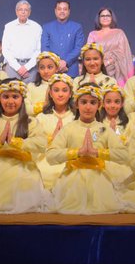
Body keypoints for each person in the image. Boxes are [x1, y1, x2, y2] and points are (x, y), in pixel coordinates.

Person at [0, 79, 52, 213]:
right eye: (6, 97)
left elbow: (41, 143)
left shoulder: (30, 122)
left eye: (15, 97)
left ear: (22, 99)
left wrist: (17, 142)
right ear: (0, 98)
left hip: (23, 167)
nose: (10, 101)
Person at [45, 84, 127, 214]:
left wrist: (97, 152)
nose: (88, 107)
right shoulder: (69, 128)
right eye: (83, 102)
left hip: (99, 179)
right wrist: (77, 152)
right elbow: (50, 156)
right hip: (71, 180)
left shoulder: (104, 129)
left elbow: (124, 155)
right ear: (77, 104)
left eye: (92, 103)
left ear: (99, 105)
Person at [87, 7, 132, 86]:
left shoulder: (119, 33)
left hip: (117, 70)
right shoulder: (93, 34)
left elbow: (122, 53)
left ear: (112, 18)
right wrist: (101, 64)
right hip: (97, 69)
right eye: (102, 16)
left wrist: (108, 62)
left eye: (108, 15)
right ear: (98, 18)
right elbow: (89, 53)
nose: (105, 18)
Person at [0, 0, 43, 80]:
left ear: (29, 12)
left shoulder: (37, 27)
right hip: (12, 67)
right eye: (20, 10)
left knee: (30, 88)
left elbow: (38, 50)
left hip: (31, 67)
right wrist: (18, 68)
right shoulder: (9, 27)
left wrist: (26, 67)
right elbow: (5, 50)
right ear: (16, 11)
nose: (23, 12)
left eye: (26, 10)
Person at [41, 0, 86, 76]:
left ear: (69, 11)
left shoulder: (77, 27)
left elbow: (78, 48)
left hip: (71, 69)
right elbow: (45, 47)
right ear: (55, 11)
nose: (62, 11)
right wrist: (55, 63)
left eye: (65, 9)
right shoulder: (47, 27)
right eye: (59, 9)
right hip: (51, 69)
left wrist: (66, 62)